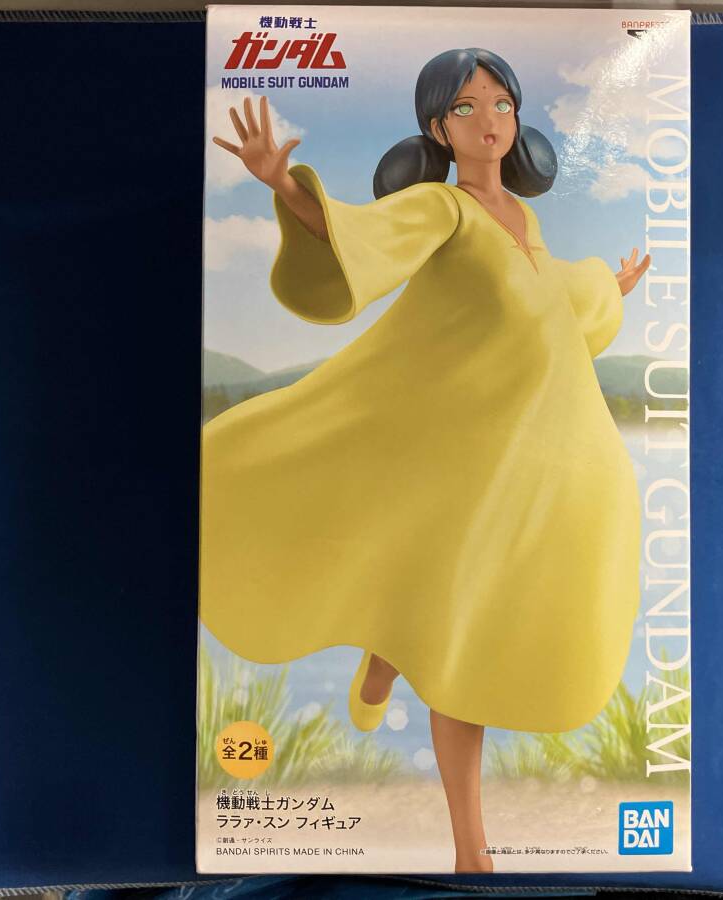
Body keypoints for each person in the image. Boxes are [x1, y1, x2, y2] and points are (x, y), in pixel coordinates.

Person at [205, 47, 650, 873]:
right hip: (451, 449)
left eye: (501, 104)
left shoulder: (527, 222)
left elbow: (551, 298)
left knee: (444, 594)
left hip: (509, 464)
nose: (490, 121)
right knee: (458, 651)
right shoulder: (442, 210)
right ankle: (471, 851)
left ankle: (382, 665)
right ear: (439, 130)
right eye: (467, 108)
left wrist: (610, 291)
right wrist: (283, 186)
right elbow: (366, 237)